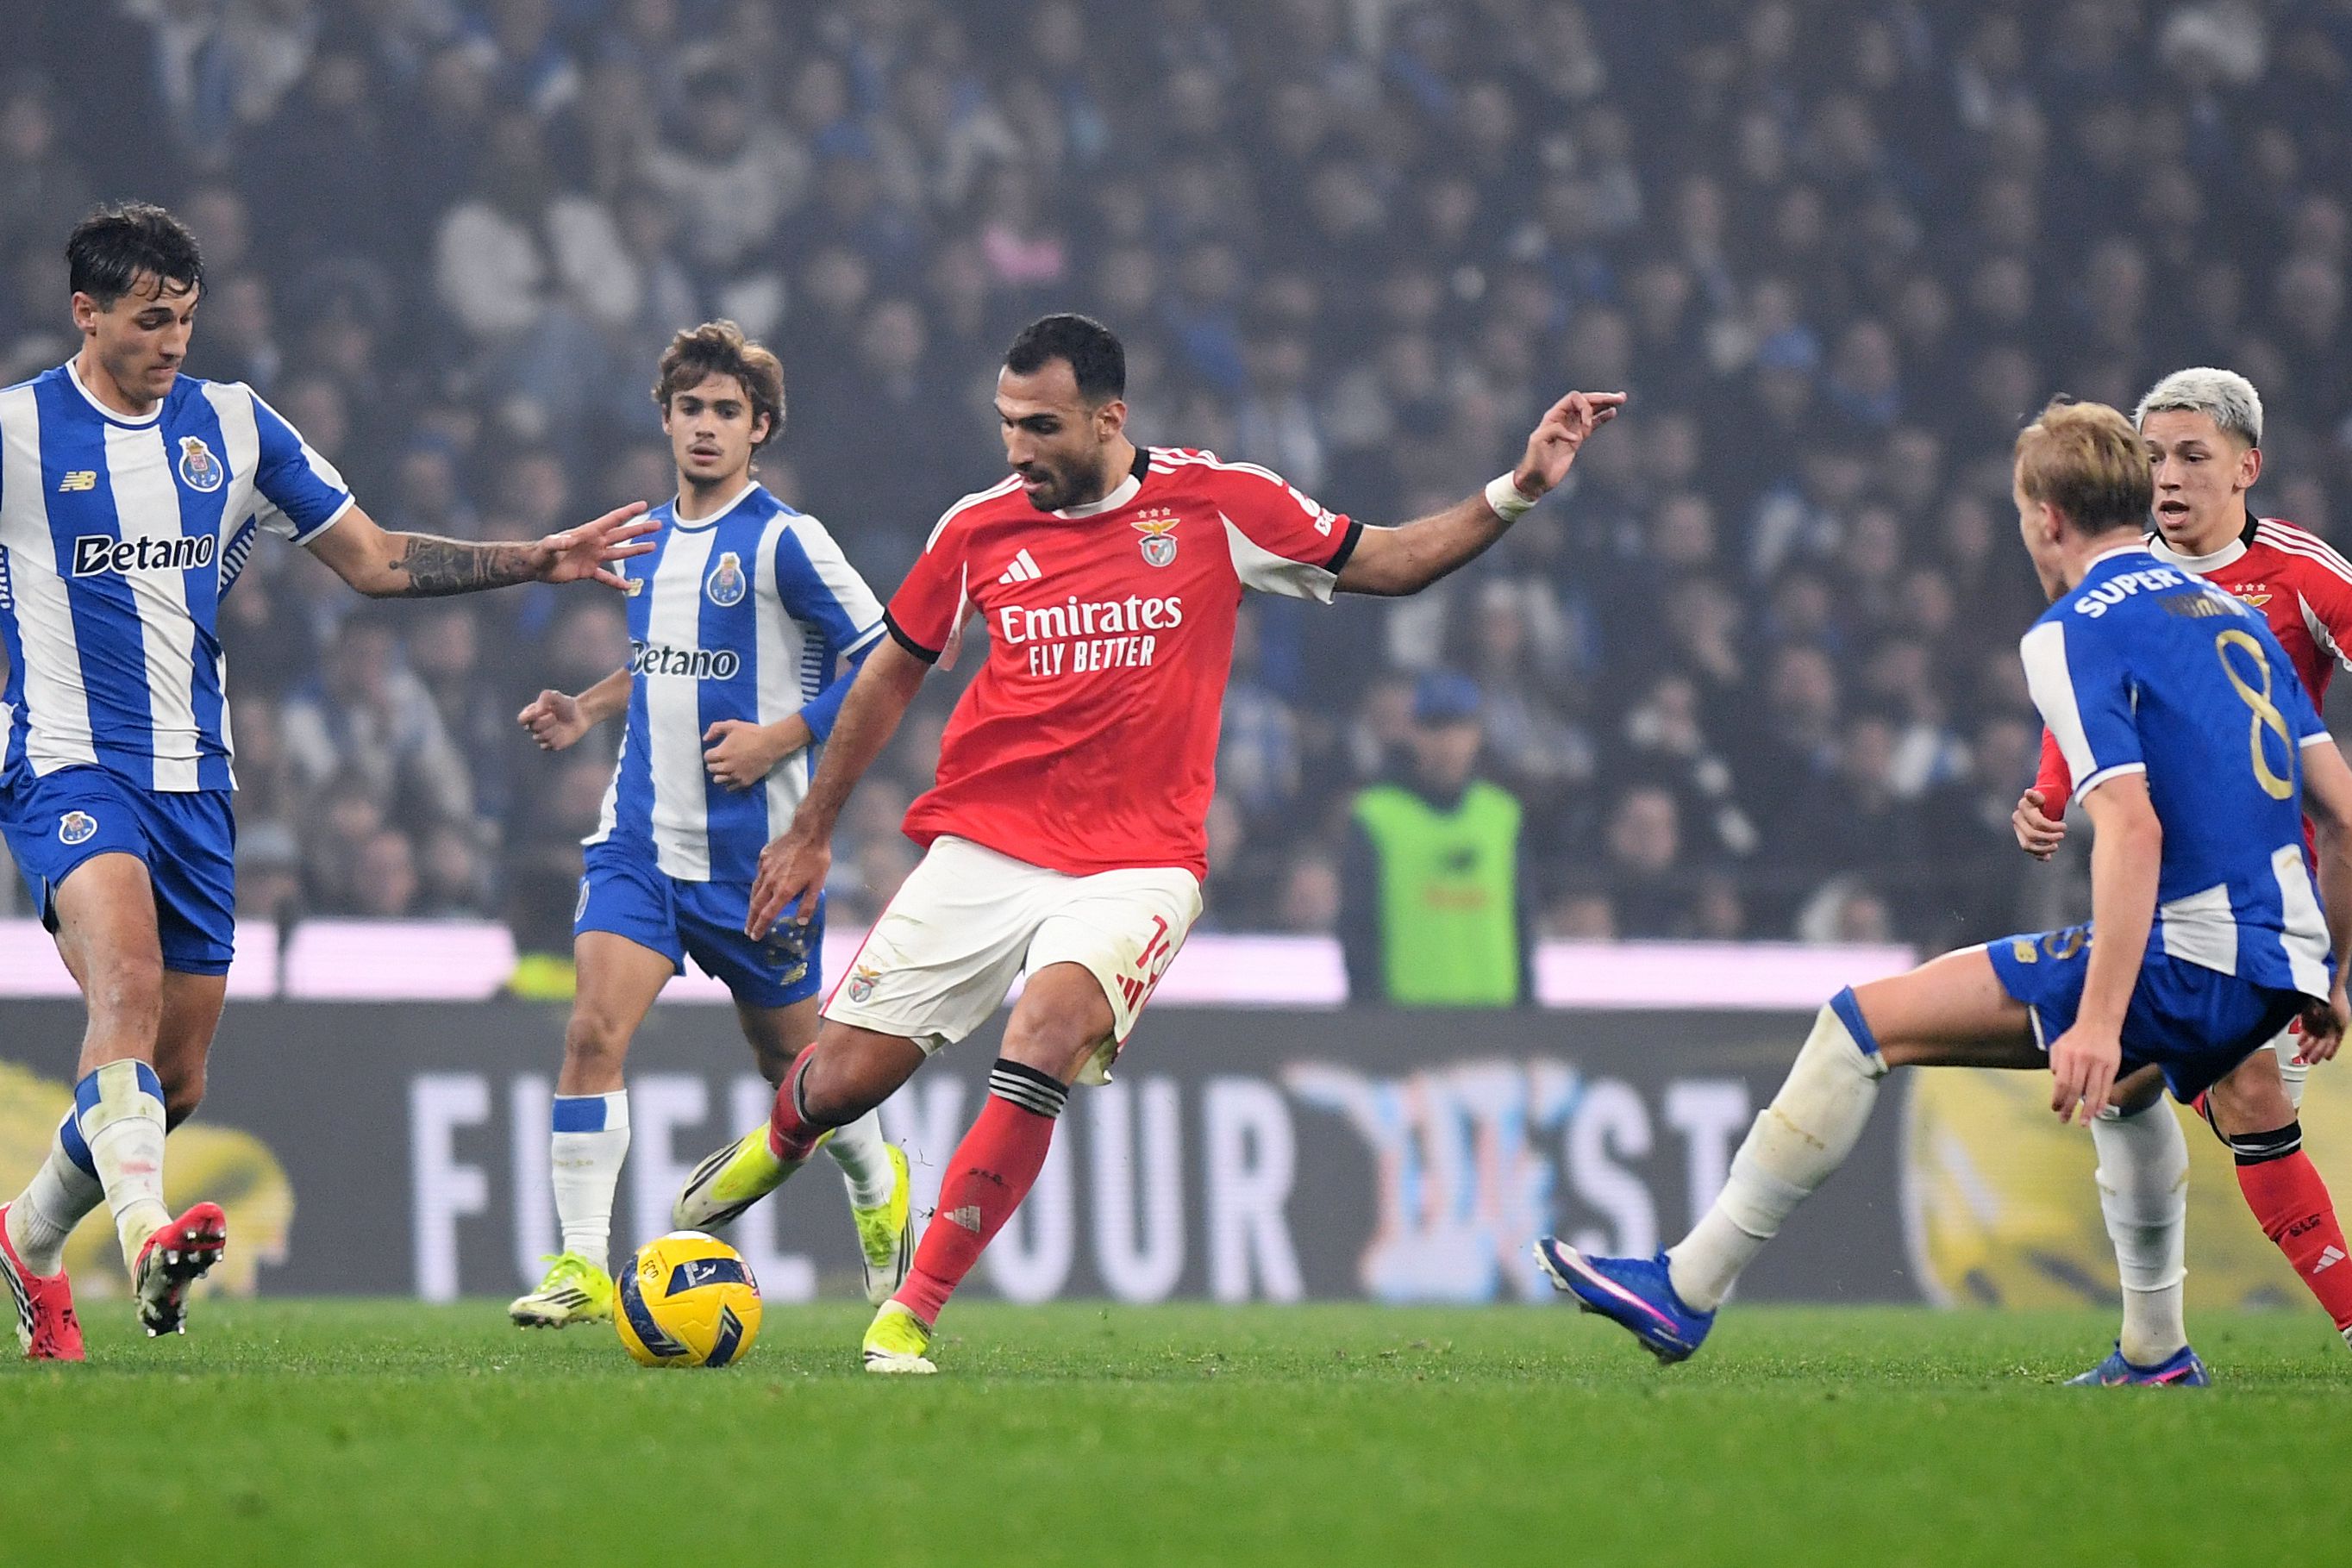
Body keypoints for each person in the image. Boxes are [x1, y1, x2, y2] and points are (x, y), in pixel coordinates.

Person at [672, 312, 1621, 1373]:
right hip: (987, 842)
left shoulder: (1220, 505)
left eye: (1040, 426)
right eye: (1004, 424)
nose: (1017, 449)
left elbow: (1393, 562)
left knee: (1046, 1032)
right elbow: (893, 670)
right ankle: (786, 1142)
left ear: (1109, 417)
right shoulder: (976, 528)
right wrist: (811, 832)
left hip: (1139, 860)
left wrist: (1519, 487)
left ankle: (911, 1312)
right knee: (844, 1079)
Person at [1540, 398, 2352, 1371]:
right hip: (2279, 956)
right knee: (2133, 1093)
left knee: (1856, 1026)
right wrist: (2327, 971)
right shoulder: (2234, 613)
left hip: (2189, 958)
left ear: (2045, 518)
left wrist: (2095, 1018)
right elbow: (2341, 813)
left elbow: (2130, 828)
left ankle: (1685, 1287)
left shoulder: (2072, 628)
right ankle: (2153, 1348)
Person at [0, 203, 653, 1360]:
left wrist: (537, 556)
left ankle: (31, 1235)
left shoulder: (235, 427)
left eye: (189, 320)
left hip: (195, 781)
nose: (174, 342)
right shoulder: (15, 433)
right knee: (127, 986)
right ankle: (148, 1235)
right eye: (152, 321)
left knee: (179, 1073)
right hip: (63, 763)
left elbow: (377, 557)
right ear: (85, 313)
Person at [506, 321, 910, 1327]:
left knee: (794, 1068)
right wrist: (587, 709)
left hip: (757, 860)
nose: (705, 426)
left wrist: (784, 736)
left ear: (758, 427)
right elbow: (661, 661)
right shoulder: (640, 537)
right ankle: (580, 1266)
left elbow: (885, 657)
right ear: (666, 418)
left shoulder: (786, 539)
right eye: (690, 408)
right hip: (640, 843)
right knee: (593, 1029)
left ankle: (877, 1182)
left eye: (727, 411)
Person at [2011, 369, 2352, 1373]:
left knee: (2231, 1091)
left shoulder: (2300, 574)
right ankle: (2153, 1346)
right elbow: (2078, 712)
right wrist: (2044, 792)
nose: (2167, 478)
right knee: (2162, 1089)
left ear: (2247, 468)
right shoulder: (2122, 577)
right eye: (2152, 456)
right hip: (2154, 883)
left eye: (2192, 456)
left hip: (2270, 894)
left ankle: (2158, 1347)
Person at [1339, 670, 1532, 1006]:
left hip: (1495, 1019)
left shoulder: (1501, 816)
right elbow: (1357, 929)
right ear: (1413, 733)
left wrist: (1528, 1014)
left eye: (1459, 728)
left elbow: (1522, 923)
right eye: (1434, 728)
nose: (1448, 742)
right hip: (1408, 1023)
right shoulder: (1377, 816)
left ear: (1477, 735)